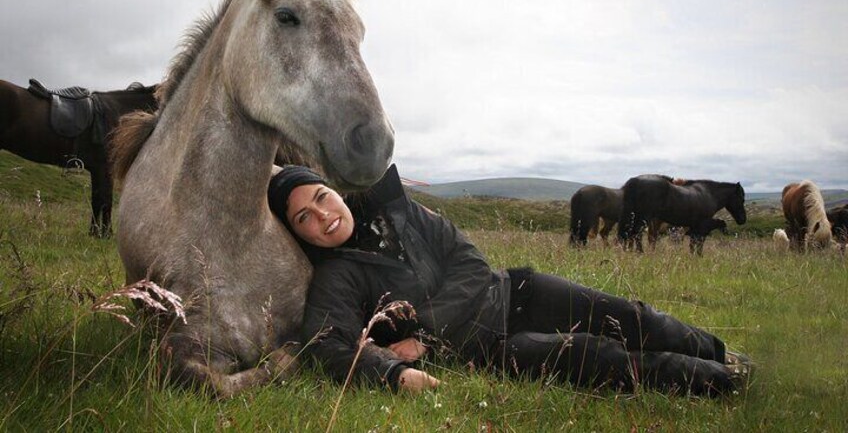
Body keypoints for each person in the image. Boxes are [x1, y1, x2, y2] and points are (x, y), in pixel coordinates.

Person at [268, 164, 751, 396]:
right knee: (596, 355)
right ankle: (718, 380)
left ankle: (717, 350)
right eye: (304, 218)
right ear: (298, 234)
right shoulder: (337, 275)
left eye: (321, 197)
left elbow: (471, 263)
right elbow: (328, 342)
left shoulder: (402, 212)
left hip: (516, 290)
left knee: (629, 315)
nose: (323, 217)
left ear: (335, 190)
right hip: (485, 347)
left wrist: (425, 332)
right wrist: (392, 372)